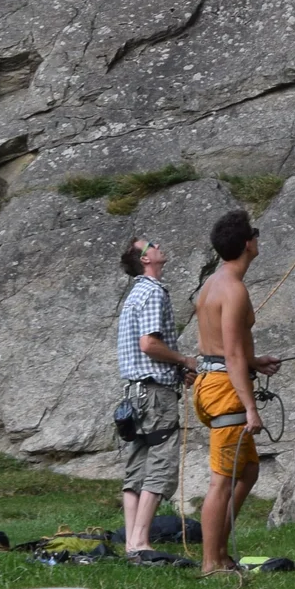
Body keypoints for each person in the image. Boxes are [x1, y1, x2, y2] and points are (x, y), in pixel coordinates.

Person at [192, 207, 281, 573]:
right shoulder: (234, 290)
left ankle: (221, 551)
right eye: (255, 234)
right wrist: (251, 408)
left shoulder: (213, 282)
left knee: (247, 472)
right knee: (222, 480)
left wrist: (254, 361)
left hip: (211, 380)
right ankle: (211, 562)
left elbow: (225, 349)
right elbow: (229, 354)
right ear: (248, 244)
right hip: (224, 389)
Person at [115, 233, 196, 558]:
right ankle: (140, 542)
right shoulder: (153, 292)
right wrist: (183, 360)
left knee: (137, 465)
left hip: (134, 394)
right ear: (145, 260)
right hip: (155, 393)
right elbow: (149, 344)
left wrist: (177, 369)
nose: (159, 246)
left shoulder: (135, 294)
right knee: (160, 463)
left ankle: (131, 543)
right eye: (152, 246)